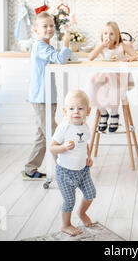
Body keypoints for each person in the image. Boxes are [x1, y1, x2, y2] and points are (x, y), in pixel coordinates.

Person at [22, 11, 72, 180]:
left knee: (42, 135)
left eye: (51, 25)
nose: (49, 28)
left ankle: (30, 169)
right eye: (45, 26)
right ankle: (64, 169)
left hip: (45, 97)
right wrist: (66, 43)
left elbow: (58, 58)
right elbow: (60, 59)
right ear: (36, 31)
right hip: (42, 98)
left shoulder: (45, 46)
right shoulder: (40, 46)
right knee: (54, 134)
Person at [50, 90, 96, 236]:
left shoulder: (85, 126)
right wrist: (63, 148)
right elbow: (52, 147)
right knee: (69, 200)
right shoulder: (64, 128)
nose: (76, 112)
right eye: (71, 108)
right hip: (65, 172)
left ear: (88, 111)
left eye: (80, 108)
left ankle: (82, 213)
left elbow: (85, 144)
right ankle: (66, 224)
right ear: (65, 111)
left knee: (90, 194)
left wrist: (88, 157)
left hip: (83, 171)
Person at [87, 21, 138, 132]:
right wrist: (101, 46)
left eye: (111, 34)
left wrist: (129, 58)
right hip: (103, 77)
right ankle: (103, 113)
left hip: (119, 78)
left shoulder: (121, 46)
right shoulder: (101, 46)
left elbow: (136, 55)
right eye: (105, 33)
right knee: (92, 82)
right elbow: (90, 57)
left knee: (113, 84)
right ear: (102, 35)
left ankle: (114, 114)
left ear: (117, 36)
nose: (108, 36)